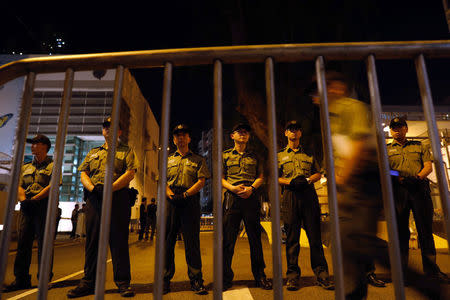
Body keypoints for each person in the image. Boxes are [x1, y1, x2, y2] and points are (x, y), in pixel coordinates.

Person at [67, 117, 138, 298]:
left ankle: (123, 283)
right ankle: (89, 282)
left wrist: (109, 188)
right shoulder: (93, 152)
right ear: (103, 131)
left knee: (119, 242)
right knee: (92, 242)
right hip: (95, 199)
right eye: (106, 126)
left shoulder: (127, 151)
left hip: (117, 198)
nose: (109, 129)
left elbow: (130, 172)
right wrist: (92, 188)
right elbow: (84, 173)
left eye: (113, 127)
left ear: (120, 132)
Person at [387, 117, 450, 282]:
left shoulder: (419, 146)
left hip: (419, 189)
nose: (396, 130)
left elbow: (428, 165)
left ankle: (431, 271)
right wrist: (399, 178)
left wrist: (418, 177)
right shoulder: (386, 150)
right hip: (399, 192)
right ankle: (402, 273)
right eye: (393, 128)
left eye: (400, 127)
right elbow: (386, 170)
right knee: (401, 233)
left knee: (425, 231)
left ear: (406, 129)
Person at [277, 120, 334, 291]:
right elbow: (276, 176)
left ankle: (322, 275)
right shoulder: (279, 155)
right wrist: (290, 182)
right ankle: (293, 277)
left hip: (309, 196)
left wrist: (308, 179)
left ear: (300, 133)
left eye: (296, 130)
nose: (294, 133)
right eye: (290, 130)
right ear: (286, 133)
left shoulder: (309, 153)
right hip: (290, 195)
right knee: (292, 240)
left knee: (315, 238)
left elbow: (318, 172)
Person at [222, 123, 272, 291]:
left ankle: (260, 276)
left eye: (245, 132)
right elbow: (220, 178)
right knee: (228, 241)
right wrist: (232, 188)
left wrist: (251, 188)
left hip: (251, 197)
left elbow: (261, 176)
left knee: (255, 240)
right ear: (232, 136)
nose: (243, 134)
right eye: (239, 132)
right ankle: (225, 277)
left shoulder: (255, 156)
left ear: (249, 137)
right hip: (232, 197)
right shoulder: (225, 156)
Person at [3, 134, 56, 292]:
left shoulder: (54, 165)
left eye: (35, 143)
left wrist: (35, 199)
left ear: (44, 146)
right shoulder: (25, 167)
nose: (32, 146)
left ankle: (44, 279)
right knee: (23, 244)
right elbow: (18, 185)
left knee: (44, 245)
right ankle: (21, 279)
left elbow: (53, 186)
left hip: (44, 207)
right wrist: (24, 199)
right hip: (27, 207)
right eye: (32, 144)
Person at [163, 124, 209, 295]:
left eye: (184, 135)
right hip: (171, 200)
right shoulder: (167, 159)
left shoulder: (198, 159)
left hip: (189, 201)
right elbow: (163, 181)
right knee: (167, 243)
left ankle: (196, 280)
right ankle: (165, 280)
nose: (180, 138)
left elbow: (201, 181)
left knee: (192, 243)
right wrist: (170, 194)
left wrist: (186, 194)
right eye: (177, 135)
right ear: (174, 140)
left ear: (189, 138)